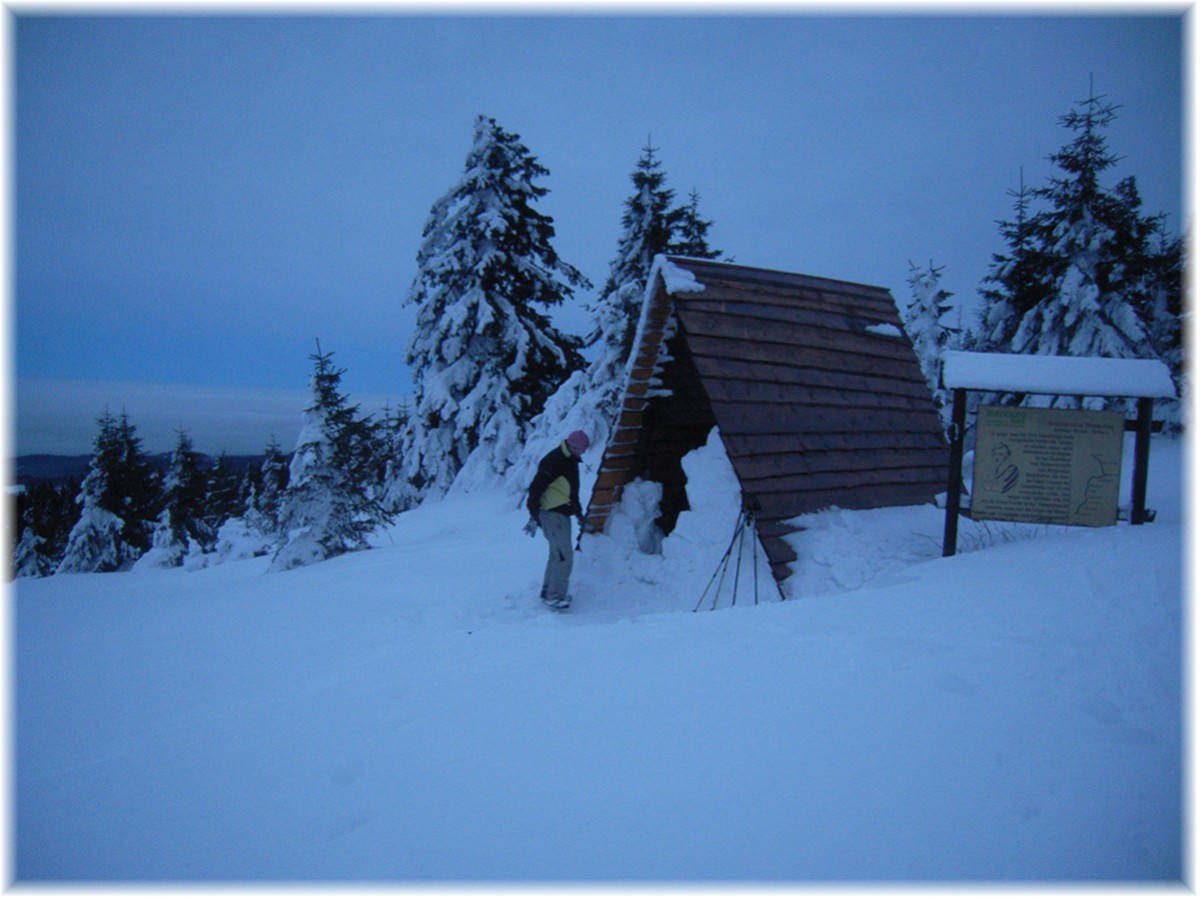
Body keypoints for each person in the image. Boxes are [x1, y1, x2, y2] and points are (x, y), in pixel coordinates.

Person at [525, 430, 590, 610]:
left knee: (556, 555)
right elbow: (536, 486)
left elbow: (570, 490)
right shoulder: (556, 460)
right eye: (583, 449)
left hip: (561, 513)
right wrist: (533, 511)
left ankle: (548, 592)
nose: (584, 452)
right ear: (575, 446)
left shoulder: (569, 460)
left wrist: (578, 513)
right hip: (553, 514)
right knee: (564, 556)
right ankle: (555, 596)